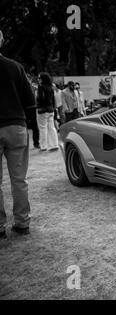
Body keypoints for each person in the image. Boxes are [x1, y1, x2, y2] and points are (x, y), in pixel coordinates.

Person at [0, 30, 36, 238]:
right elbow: (30, 102)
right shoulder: (16, 67)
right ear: (2, 41)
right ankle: (22, 223)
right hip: (16, 126)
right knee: (19, 180)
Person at [36, 73, 59, 152]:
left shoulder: (41, 87)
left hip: (43, 110)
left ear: (43, 79)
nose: (38, 79)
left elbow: (41, 98)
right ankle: (55, 144)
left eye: (39, 78)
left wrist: (38, 103)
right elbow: (53, 99)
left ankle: (43, 146)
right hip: (51, 110)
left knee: (42, 128)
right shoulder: (51, 87)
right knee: (52, 128)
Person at [24, 74, 40, 148]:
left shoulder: (35, 87)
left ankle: (36, 143)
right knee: (24, 127)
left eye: (28, 79)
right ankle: (25, 144)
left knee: (35, 127)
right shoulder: (21, 87)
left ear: (30, 79)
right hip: (25, 108)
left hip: (34, 108)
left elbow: (38, 97)